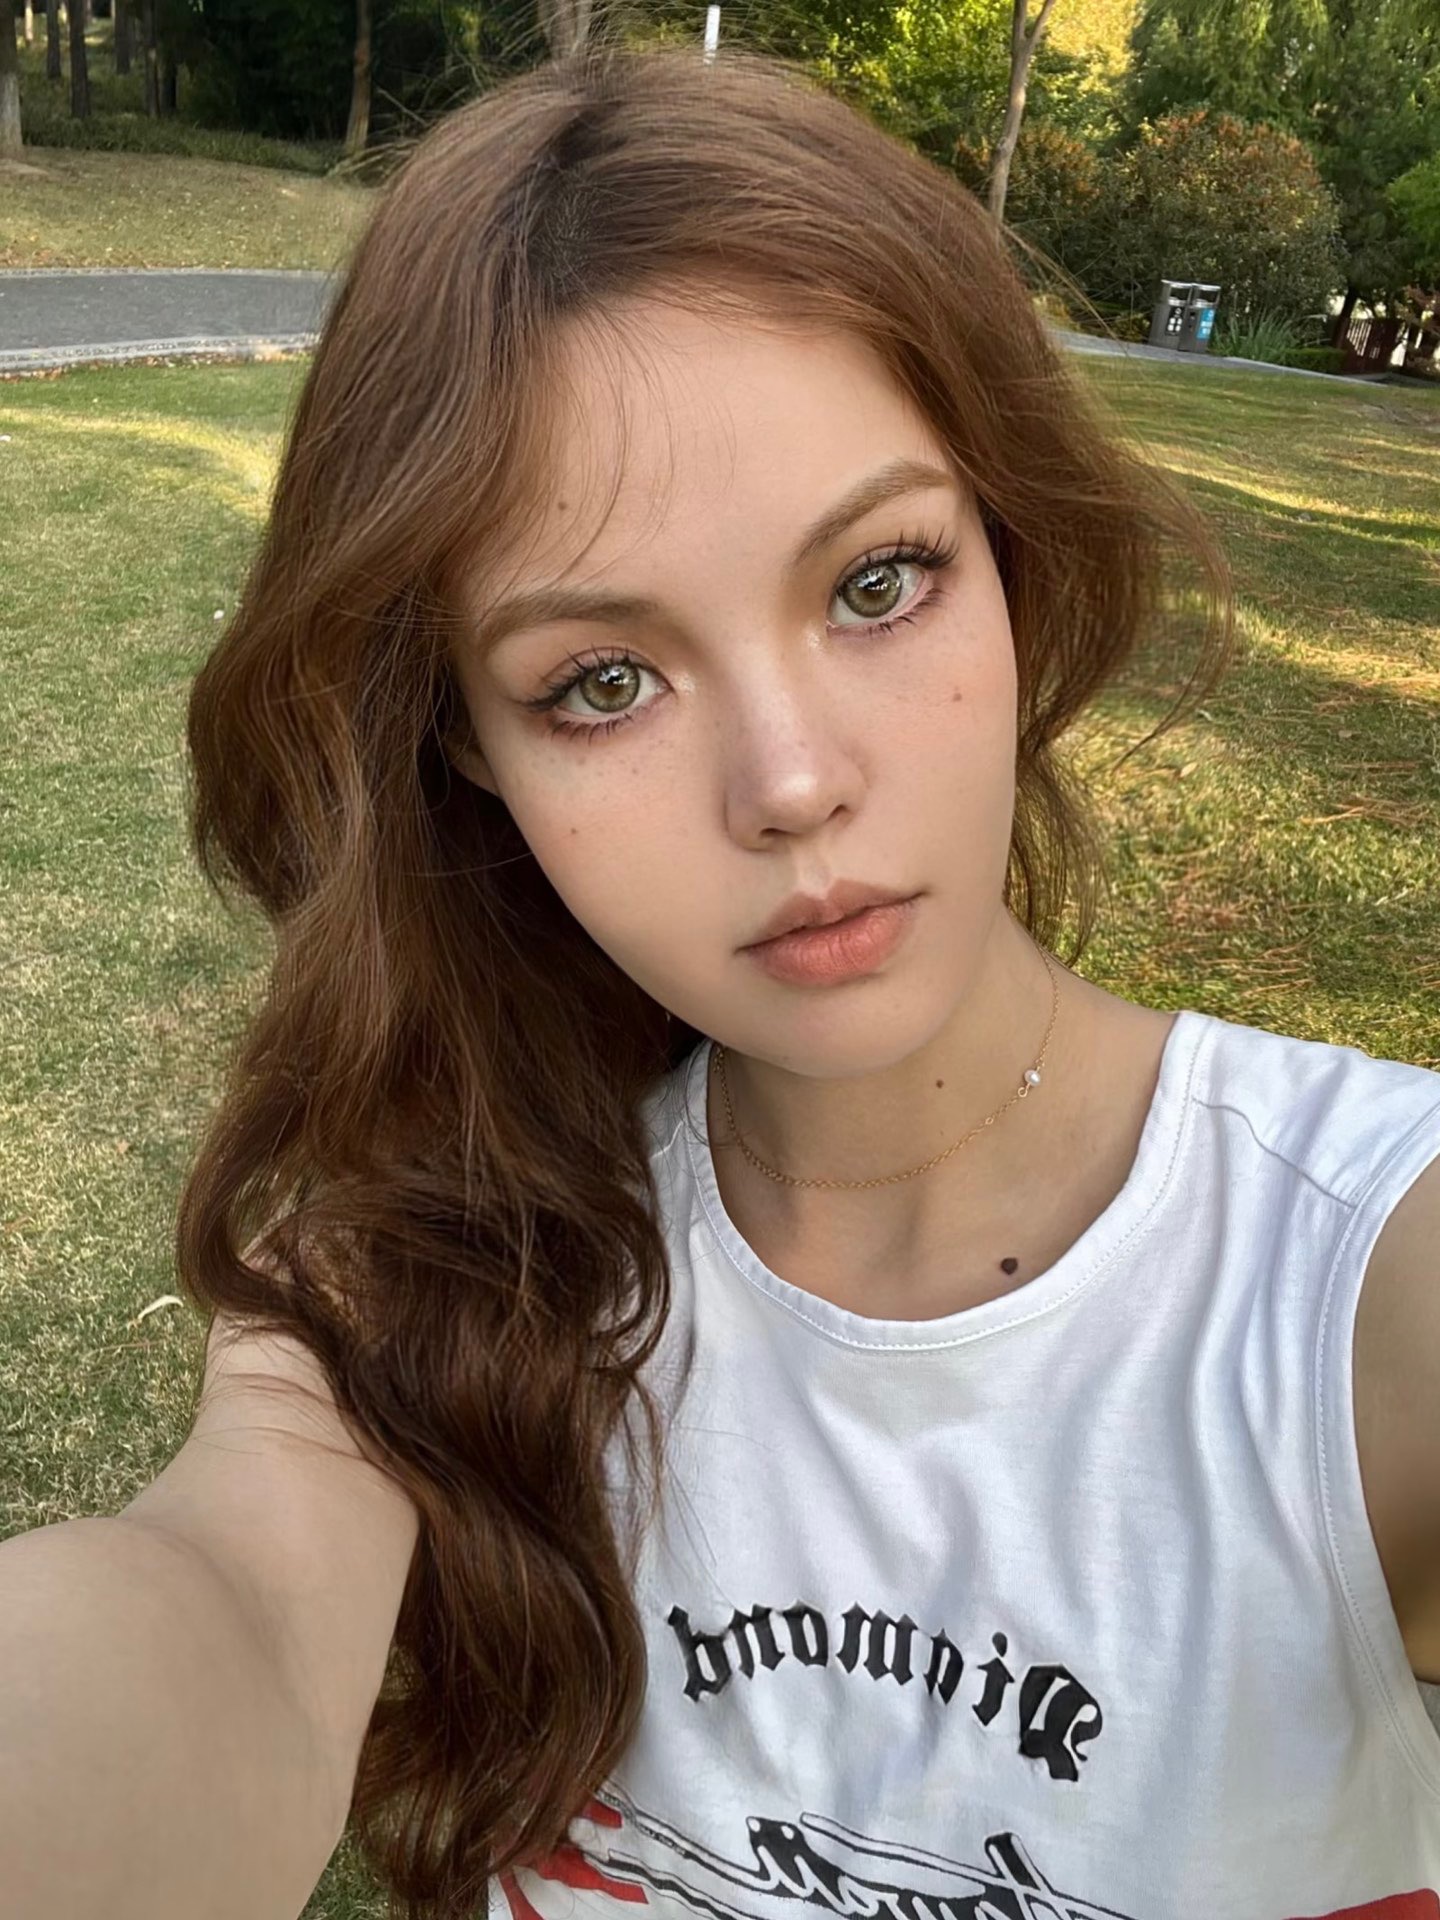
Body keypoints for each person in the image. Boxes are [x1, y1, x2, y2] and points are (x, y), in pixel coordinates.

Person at [3, 38, 1439, 1920]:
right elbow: (226, 1622)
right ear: (466, 750)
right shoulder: (448, 1264)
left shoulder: (1362, 1291)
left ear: (1009, 552)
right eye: (602, 681)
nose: (791, 783)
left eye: (877, 582)